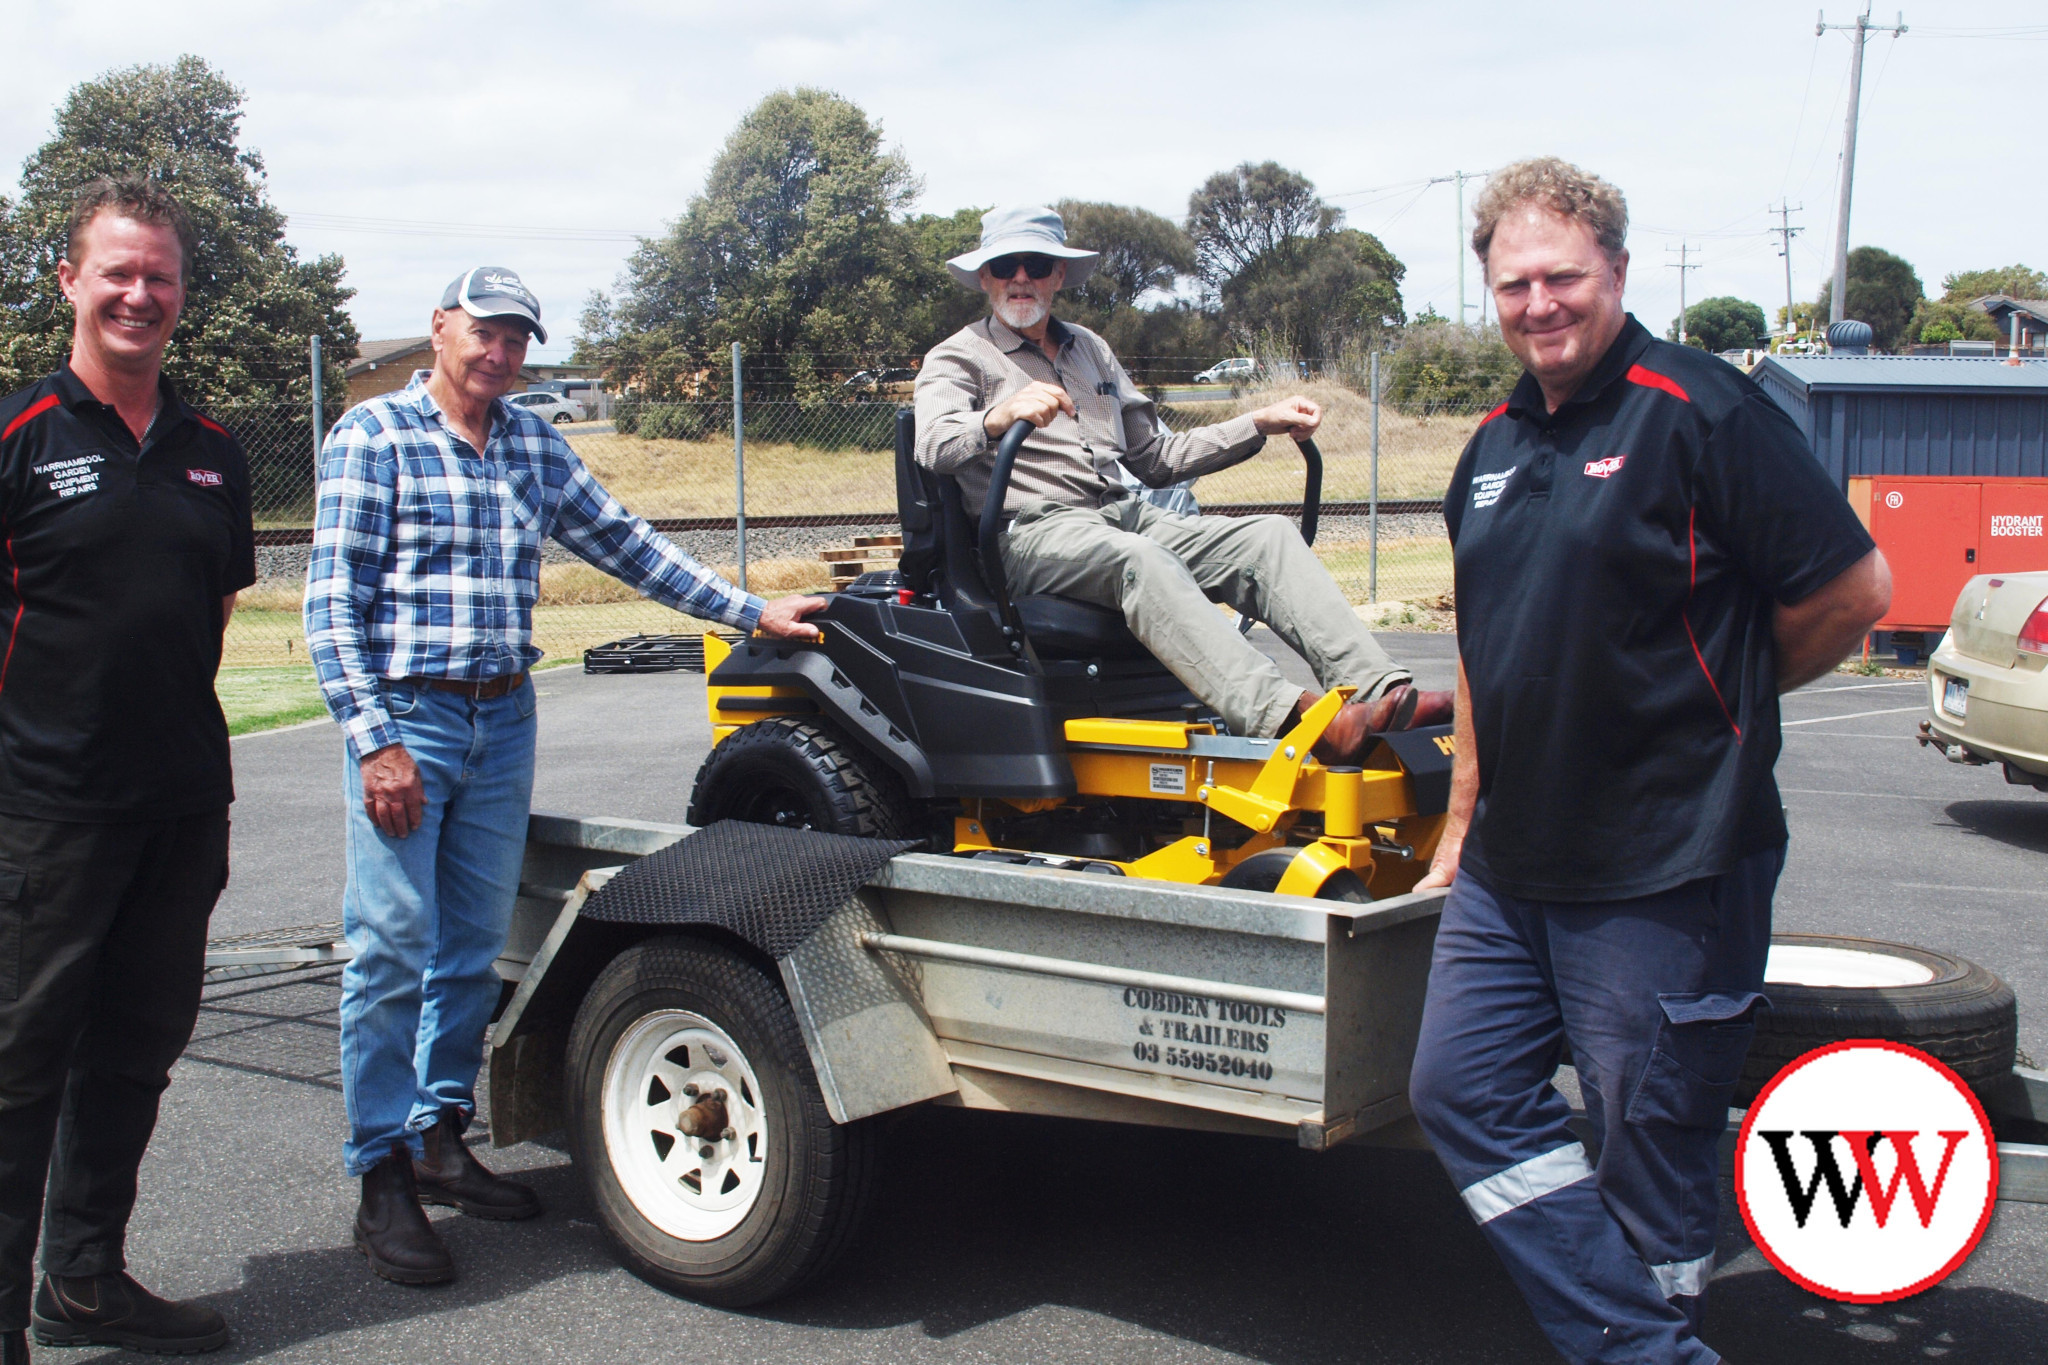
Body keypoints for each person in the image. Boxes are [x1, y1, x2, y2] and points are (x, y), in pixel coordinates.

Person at [1406, 158, 1891, 1364]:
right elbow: (1479, 641)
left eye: (1560, 277)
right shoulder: (1490, 444)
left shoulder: (1699, 410)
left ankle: (1638, 1340)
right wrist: (1460, 820)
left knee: (1647, 1147)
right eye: (1512, 284)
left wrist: (1715, 696)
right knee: (1456, 1092)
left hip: (1666, 857)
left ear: (1615, 271)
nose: (1537, 304)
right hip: (1513, 866)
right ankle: (1637, 1346)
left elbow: (1851, 591)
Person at [303, 266, 826, 1286]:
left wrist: (748, 612)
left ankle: (440, 1134)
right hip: (410, 716)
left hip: (503, 715)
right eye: (486, 332)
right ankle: (380, 1177)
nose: (500, 354)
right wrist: (375, 740)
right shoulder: (374, 439)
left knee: (469, 944)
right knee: (391, 946)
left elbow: (626, 546)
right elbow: (331, 607)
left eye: (517, 340)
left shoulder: (532, 446)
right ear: (441, 326)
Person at [914, 206, 1450, 760]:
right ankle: (1303, 720)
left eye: (1035, 264)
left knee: (1266, 538)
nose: (1019, 277)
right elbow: (932, 445)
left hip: (1120, 515)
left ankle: (1387, 696)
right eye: (1005, 265)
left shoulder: (1090, 350)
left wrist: (1256, 422)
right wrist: (997, 417)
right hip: (1027, 535)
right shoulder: (957, 357)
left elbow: (1155, 458)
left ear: (1057, 276)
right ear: (985, 277)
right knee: (1140, 560)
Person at [0, 177, 248, 1361]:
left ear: (181, 293)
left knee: (137, 1051)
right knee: (18, 1068)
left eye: (159, 276)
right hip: (45, 811)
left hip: (182, 803)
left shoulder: (213, 453)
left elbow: (207, 617)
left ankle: (83, 1281)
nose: (138, 295)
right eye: (118, 273)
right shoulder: (18, 435)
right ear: (70, 282)